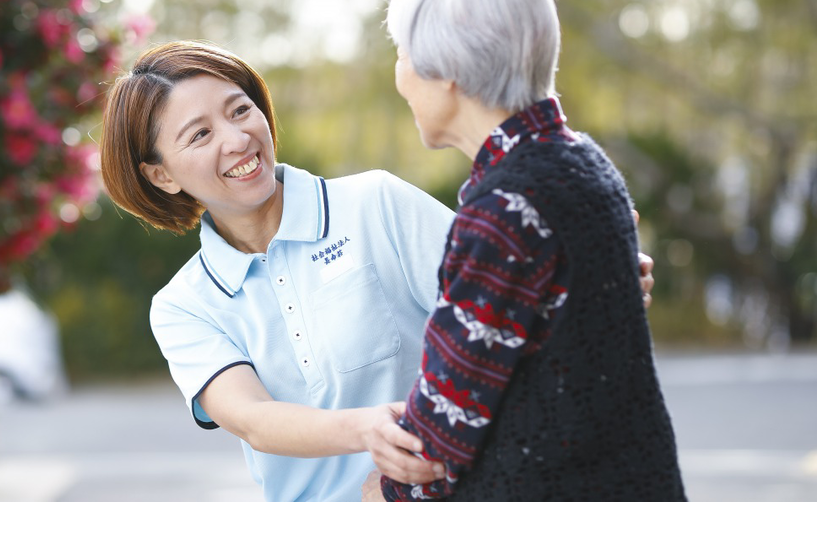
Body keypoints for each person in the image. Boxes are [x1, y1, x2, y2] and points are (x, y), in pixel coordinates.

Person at [98, 39, 656, 502]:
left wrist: (589, 282)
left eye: (240, 109)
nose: (237, 138)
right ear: (161, 175)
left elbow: (502, 311)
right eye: (199, 134)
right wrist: (380, 429)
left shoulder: (375, 203)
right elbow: (252, 420)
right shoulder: (184, 305)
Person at [362, 0, 685, 502]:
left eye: (404, 54)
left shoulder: (503, 210)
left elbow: (439, 436)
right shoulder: (585, 164)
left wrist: (385, 491)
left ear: (447, 68)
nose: (400, 76)